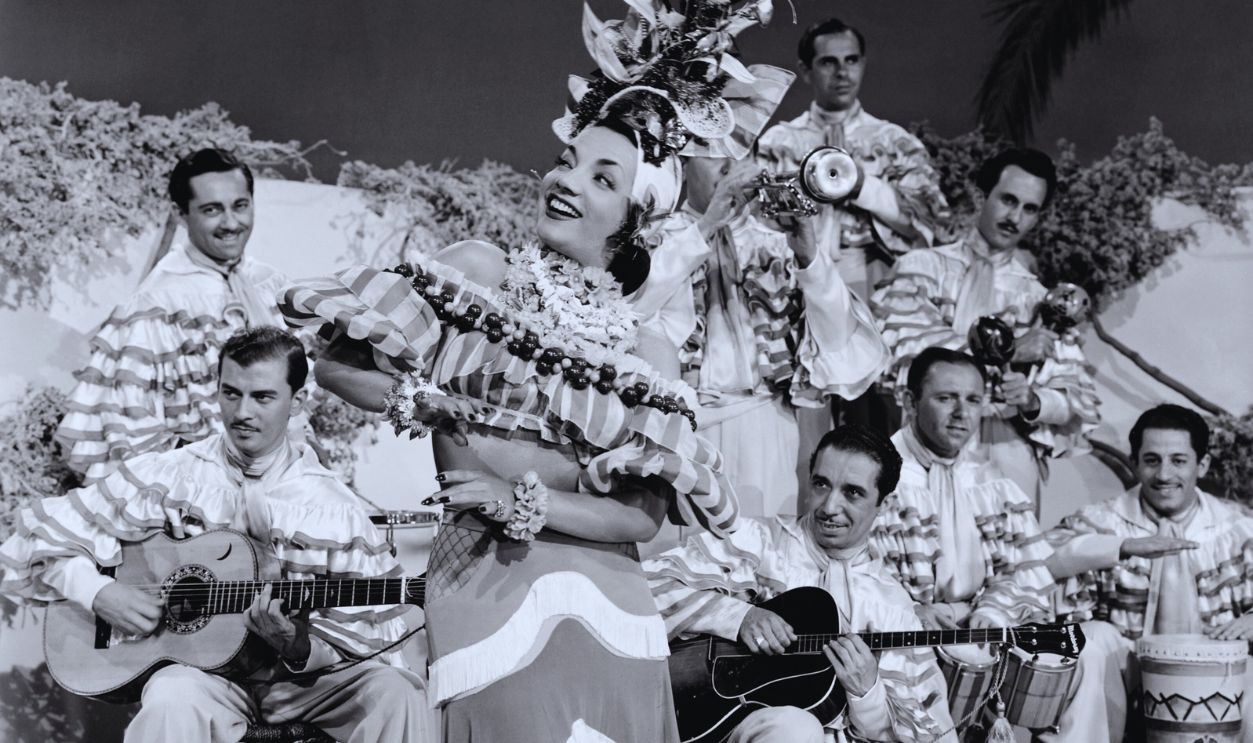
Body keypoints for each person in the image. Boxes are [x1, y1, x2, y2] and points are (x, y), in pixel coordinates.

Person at [275, 3, 788, 739]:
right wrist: (436, 406)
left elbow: (639, 516)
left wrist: (522, 498)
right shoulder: (479, 273)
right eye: (567, 160)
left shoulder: (646, 354)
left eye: (601, 178)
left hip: (612, 598)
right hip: (483, 574)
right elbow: (336, 364)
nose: (567, 181)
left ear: (634, 221)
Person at [0, 328, 430, 743]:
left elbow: (363, 636)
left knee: (397, 692)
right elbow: (34, 537)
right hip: (203, 679)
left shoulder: (333, 510)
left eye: (262, 397)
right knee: (172, 697)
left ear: (296, 402)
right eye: (231, 393)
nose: (242, 413)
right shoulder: (173, 475)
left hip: (305, 686)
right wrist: (98, 593)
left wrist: (294, 644)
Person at [644, 425, 956, 742]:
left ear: (884, 505)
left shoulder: (893, 609)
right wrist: (739, 618)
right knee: (796, 729)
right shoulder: (757, 545)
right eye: (821, 484)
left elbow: (934, 733)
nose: (829, 507)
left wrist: (869, 696)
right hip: (715, 726)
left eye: (852, 492)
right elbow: (645, 593)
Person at [632, 153, 888, 518]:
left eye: (739, 152)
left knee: (761, 557)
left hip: (766, 421)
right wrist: (706, 226)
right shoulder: (656, 236)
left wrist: (808, 256)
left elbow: (838, 341)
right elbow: (631, 309)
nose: (728, 164)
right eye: (712, 151)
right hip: (684, 419)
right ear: (685, 161)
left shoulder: (775, 242)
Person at [871, 149, 1099, 505]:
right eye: (1008, 200)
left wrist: (1033, 399)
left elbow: (1075, 396)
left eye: (1029, 209)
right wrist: (1010, 349)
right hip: (922, 444)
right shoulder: (919, 269)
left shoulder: (1037, 297)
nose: (1015, 218)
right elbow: (903, 351)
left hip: (1005, 451)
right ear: (981, 196)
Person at [56, 148, 291, 483]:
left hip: (275, 482)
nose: (231, 223)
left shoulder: (268, 283)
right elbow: (130, 425)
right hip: (199, 494)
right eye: (212, 210)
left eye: (240, 206)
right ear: (181, 214)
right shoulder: (158, 301)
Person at [1044, 404, 1253, 743]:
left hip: (1216, 678)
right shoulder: (1102, 521)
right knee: (1092, 638)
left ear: (1202, 465)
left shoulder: (1238, 530)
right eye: (1152, 460)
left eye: (1178, 461)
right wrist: (1121, 546)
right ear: (1136, 461)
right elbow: (1039, 562)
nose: (1164, 475)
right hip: (1125, 674)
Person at [756, 16, 950, 301]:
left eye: (851, 60)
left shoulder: (895, 142)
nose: (842, 72)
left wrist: (862, 186)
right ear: (806, 70)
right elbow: (753, 222)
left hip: (875, 276)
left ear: (863, 63)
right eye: (828, 62)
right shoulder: (777, 143)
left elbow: (930, 220)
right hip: (793, 274)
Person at [871, 347, 1055, 631]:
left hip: (976, 628)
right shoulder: (875, 476)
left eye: (973, 400)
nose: (961, 413)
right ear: (910, 402)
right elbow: (856, 573)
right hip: (900, 631)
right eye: (945, 398)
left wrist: (994, 610)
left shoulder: (990, 484)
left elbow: (1022, 572)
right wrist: (908, 610)